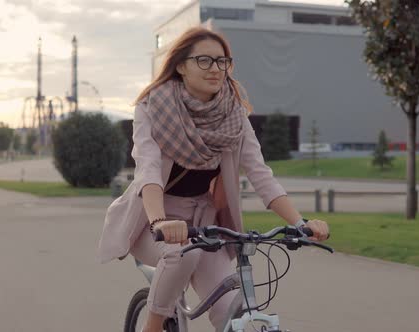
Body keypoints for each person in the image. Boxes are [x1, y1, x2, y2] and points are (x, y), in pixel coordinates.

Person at [97, 27, 330, 332]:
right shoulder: (152, 108)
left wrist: (301, 224)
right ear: (181, 65)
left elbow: (261, 174)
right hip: (153, 223)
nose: (216, 69)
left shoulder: (233, 115)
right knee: (180, 255)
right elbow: (148, 170)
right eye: (204, 61)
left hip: (205, 224)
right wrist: (159, 223)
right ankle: (152, 327)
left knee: (232, 313)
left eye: (222, 61)